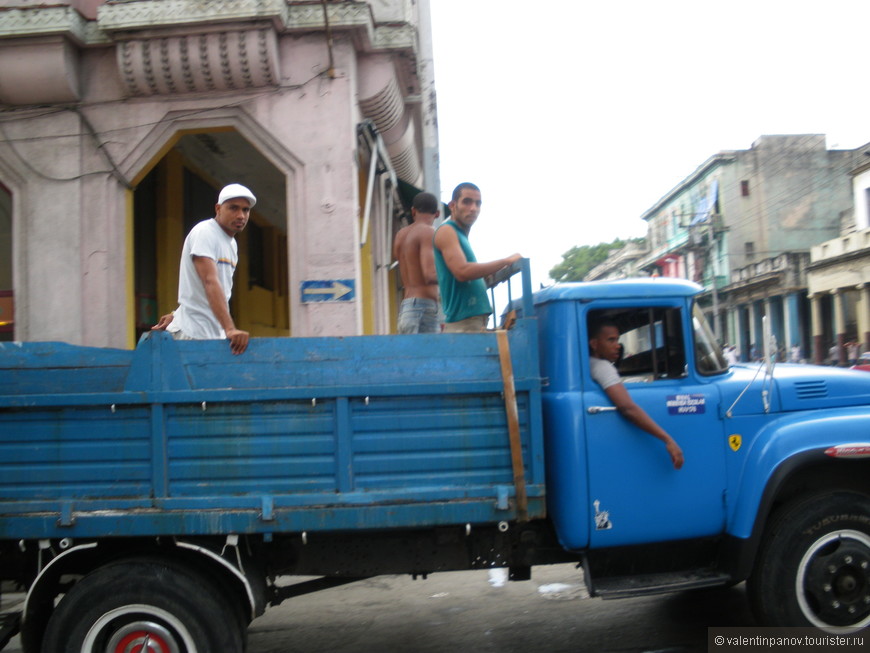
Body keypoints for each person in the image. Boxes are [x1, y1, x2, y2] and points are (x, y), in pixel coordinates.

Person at [152, 183, 254, 355]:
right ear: (218, 209)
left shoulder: (231, 244)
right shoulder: (205, 232)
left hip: (212, 333)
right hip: (193, 334)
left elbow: (201, 287)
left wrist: (176, 314)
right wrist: (230, 329)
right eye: (234, 208)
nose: (241, 215)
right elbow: (209, 281)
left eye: (246, 210)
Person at [588, 319, 684, 470]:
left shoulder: (590, 363)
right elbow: (627, 407)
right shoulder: (602, 367)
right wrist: (668, 439)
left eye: (618, 340)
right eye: (611, 340)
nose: (617, 345)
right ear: (594, 344)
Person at [433, 182, 522, 333]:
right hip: (463, 324)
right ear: (452, 205)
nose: (473, 208)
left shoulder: (460, 236)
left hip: (472, 322)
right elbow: (462, 271)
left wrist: (484, 275)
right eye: (467, 202)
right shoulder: (447, 231)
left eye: (477, 203)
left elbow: (466, 272)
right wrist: (506, 261)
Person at [393, 192, 441, 334]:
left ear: (413, 211)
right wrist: (457, 275)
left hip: (406, 307)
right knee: (431, 355)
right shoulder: (428, 232)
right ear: (437, 214)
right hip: (423, 308)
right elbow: (430, 275)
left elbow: (399, 259)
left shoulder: (401, 235)